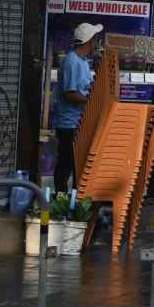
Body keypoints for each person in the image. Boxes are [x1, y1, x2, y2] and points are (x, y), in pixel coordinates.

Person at [51, 24, 102, 194]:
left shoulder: (83, 62)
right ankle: (61, 199)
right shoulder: (72, 61)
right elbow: (70, 94)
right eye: (95, 38)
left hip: (78, 123)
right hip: (69, 124)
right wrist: (92, 101)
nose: (97, 42)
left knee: (78, 166)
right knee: (67, 164)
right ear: (89, 41)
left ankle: (74, 200)